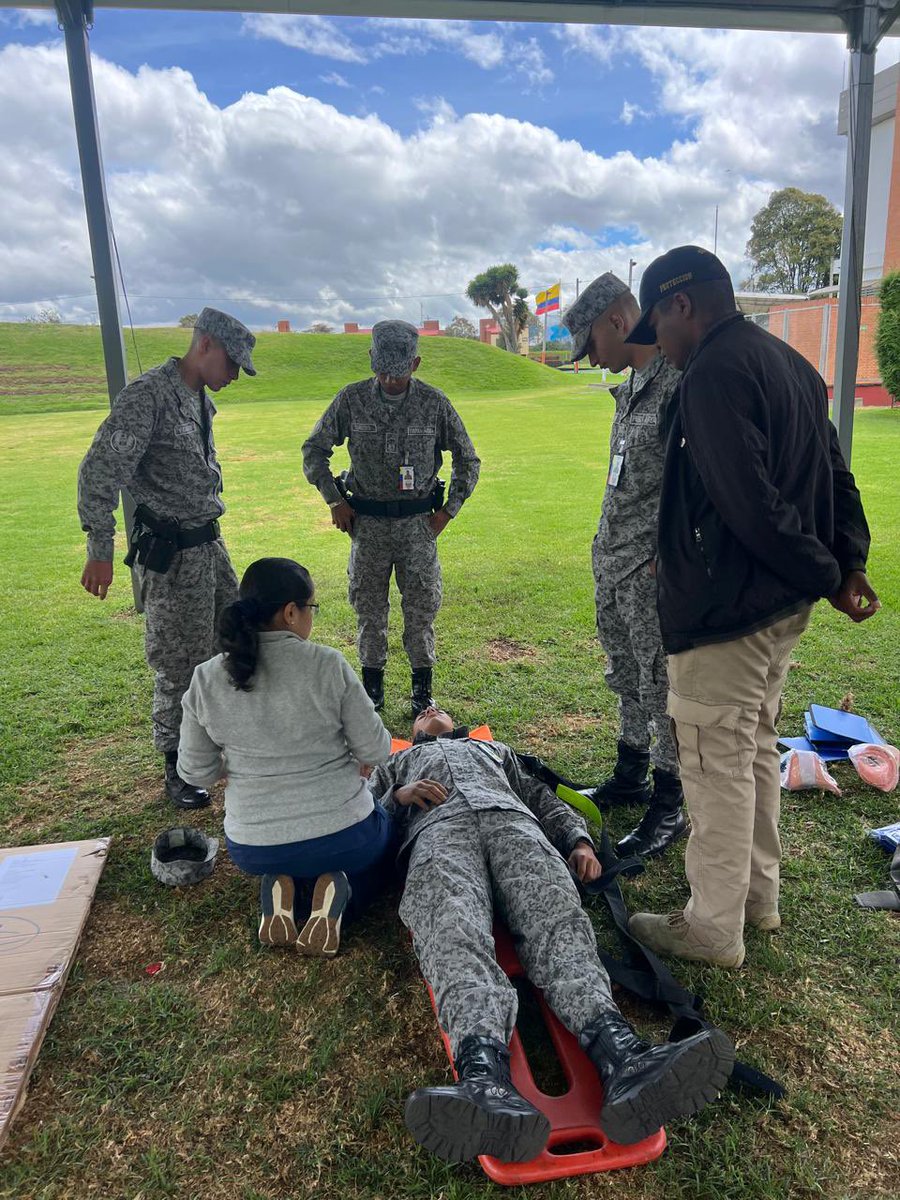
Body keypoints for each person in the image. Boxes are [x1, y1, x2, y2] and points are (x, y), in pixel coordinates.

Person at [622, 245, 878, 968]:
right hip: (777, 608)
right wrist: (845, 561)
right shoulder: (789, 364)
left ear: (684, 305)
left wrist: (829, 571)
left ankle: (711, 927)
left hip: (729, 612)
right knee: (753, 748)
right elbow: (836, 475)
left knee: (715, 763)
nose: (659, 345)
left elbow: (749, 504)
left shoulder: (711, 373)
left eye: (659, 325)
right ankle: (757, 900)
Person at [368, 707, 734, 1164]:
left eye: (439, 708)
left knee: (556, 917)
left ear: (457, 724)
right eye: (423, 714)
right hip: (438, 833)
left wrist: (577, 840)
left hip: (514, 824)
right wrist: (398, 796)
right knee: (450, 927)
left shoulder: (494, 749)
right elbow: (364, 820)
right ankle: (483, 1076)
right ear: (413, 735)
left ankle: (621, 1056)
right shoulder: (394, 766)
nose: (430, 709)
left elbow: (542, 798)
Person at [78, 308, 256, 810]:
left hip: (208, 546)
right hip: (172, 554)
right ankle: (177, 767)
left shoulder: (198, 397)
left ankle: (219, 742)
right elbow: (98, 473)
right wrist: (100, 549)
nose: (234, 375)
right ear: (205, 346)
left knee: (235, 640)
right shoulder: (148, 396)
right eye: (232, 363)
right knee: (179, 662)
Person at [177, 557, 393, 956]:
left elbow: (195, 771)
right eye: (311, 607)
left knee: (301, 855)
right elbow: (377, 750)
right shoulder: (327, 664)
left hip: (254, 846)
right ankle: (339, 896)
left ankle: (282, 890)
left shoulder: (206, 678)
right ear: (291, 612)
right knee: (388, 841)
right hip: (347, 834)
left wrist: (239, 766)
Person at [562, 273, 685, 859]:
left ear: (616, 320)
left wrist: (673, 557)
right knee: (627, 674)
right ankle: (632, 769)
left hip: (650, 567)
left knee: (661, 683)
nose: (590, 360)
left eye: (590, 346)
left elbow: (698, 486)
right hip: (614, 561)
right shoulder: (633, 384)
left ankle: (670, 802)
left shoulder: (677, 384)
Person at [302, 320, 480, 717]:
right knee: (369, 608)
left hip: (418, 527)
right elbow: (314, 450)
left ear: (415, 364)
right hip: (367, 527)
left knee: (420, 608)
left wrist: (448, 511)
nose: (389, 380)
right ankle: (372, 692)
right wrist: (334, 500)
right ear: (371, 360)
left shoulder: (434, 404)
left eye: (398, 373)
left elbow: (468, 458)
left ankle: (421, 693)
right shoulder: (350, 400)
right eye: (382, 371)